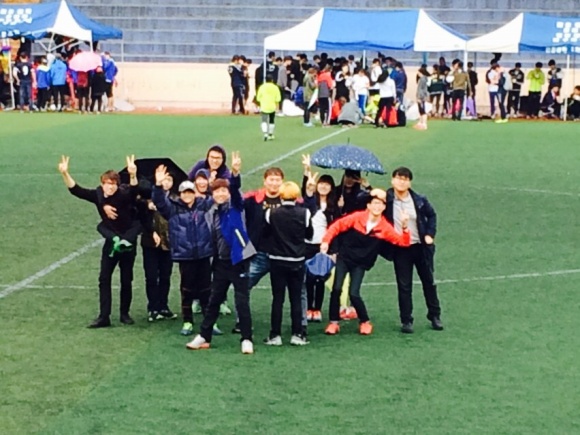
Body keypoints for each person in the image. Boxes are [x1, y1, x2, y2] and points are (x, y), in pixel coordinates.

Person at [185, 152, 257, 354]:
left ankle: (246, 338)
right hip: (220, 263)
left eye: (224, 191)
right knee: (214, 300)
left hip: (239, 260)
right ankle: (204, 335)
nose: (221, 194)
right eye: (217, 192)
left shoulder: (235, 206)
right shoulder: (212, 211)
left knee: (241, 301)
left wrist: (235, 173)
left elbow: (235, 189)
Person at [58, 155, 139, 328]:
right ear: (102, 184)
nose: (110, 187)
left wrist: (133, 174)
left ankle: (124, 314)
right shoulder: (98, 195)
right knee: (104, 279)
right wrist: (65, 173)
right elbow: (77, 191)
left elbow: (134, 192)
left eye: (113, 184)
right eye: (107, 183)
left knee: (126, 280)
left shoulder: (124, 194)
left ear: (117, 185)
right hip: (110, 243)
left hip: (127, 243)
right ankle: (104, 316)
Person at [321, 189, 411, 336]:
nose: (377, 207)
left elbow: (403, 242)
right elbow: (337, 226)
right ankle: (333, 322)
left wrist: (405, 227)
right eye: (374, 203)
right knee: (336, 289)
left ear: (384, 207)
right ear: (368, 206)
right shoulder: (357, 217)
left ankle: (365, 321)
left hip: (361, 263)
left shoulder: (385, 227)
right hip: (345, 258)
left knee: (354, 293)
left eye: (380, 204)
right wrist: (326, 241)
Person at [152, 170, 213, 336]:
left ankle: (209, 321)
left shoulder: (203, 205)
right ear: (180, 194)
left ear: (194, 193)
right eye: (184, 192)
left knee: (207, 290)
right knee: (187, 290)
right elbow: (159, 201)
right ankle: (187, 321)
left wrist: (212, 183)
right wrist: (158, 185)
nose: (187, 195)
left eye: (190, 192)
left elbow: (218, 197)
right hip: (185, 256)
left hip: (203, 254)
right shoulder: (173, 208)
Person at [385, 167, 443, 334]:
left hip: (420, 247)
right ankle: (406, 320)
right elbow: (368, 202)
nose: (402, 182)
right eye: (399, 178)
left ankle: (434, 315)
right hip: (400, 249)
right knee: (404, 286)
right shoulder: (387, 200)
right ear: (392, 180)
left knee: (429, 282)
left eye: (405, 179)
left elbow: (432, 215)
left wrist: (430, 234)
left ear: (410, 182)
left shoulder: (419, 200)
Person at [263, 181, 313, 346]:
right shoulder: (304, 213)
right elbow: (309, 235)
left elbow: (266, 234)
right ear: (296, 196)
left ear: (281, 195)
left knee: (278, 299)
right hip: (297, 260)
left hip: (277, 260)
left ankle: (275, 335)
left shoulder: (271, 212)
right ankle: (297, 334)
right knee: (296, 298)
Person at [301, 155, 339, 322]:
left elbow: (336, 228)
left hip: (323, 246)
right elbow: (305, 191)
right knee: (309, 278)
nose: (323, 186)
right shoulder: (310, 202)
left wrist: (333, 250)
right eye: (321, 183)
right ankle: (309, 307)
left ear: (331, 188)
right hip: (307, 244)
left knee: (320, 278)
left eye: (327, 184)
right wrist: (307, 170)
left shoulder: (334, 206)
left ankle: (317, 309)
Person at [140, 173, 176, 322]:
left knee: (165, 276)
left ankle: (163, 306)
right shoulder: (147, 199)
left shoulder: (175, 199)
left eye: (169, 180)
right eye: (164, 179)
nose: (166, 182)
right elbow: (140, 218)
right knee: (151, 276)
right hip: (150, 243)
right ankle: (153, 307)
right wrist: (147, 207)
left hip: (168, 243)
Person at [256, 75, 281, 141]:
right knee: (271, 120)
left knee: (264, 120)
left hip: (264, 106)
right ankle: (270, 134)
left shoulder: (262, 87)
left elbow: (258, 98)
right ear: (272, 80)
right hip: (272, 106)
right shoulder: (275, 87)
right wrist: (277, 108)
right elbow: (278, 99)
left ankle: (265, 134)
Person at [414, 65, 430, 130]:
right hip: (421, 96)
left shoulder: (422, 79)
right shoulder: (422, 79)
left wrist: (419, 97)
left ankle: (424, 123)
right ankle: (421, 122)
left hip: (421, 97)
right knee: (421, 110)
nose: (418, 73)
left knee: (422, 110)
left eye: (419, 72)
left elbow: (421, 89)